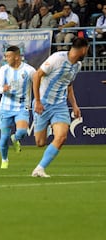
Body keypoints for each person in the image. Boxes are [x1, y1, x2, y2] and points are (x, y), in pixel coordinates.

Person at [31, 37, 89, 177]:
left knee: (62, 137)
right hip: (43, 103)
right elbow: (37, 75)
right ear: (83, 49)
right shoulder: (57, 58)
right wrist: (38, 101)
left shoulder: (77, 65)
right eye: (87, 49)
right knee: (40, 142)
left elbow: (68, 85)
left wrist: (74, 105)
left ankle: (39, 168)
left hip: (60, 105)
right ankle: (49, 125)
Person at [0, 46, 36, 169]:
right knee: (3, 139)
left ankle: (16, 138)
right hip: (5, 107)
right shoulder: (4, 69)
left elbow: (37, 83)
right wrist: (3, 89)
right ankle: (4, 160)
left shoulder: (29, 70)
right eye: (6, 56)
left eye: (8, 56)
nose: (6, 58)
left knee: (22, 132)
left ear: (17, 57)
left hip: (22, 106)